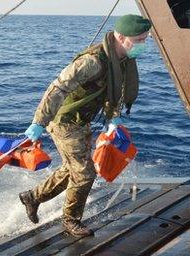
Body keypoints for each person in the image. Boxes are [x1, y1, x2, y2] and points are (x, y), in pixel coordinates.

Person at [19, 15, 151, 237]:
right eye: (138, 39)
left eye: (145, 39)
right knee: (85, 173)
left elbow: (114, 92)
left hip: (82, 120)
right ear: (120, 37)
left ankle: (32, 197)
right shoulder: (93, 62)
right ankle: (70, 220)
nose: (142, 44)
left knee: (71, 168)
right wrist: (39, 122)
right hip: (64, 120)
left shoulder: (122, 60)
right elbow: (58, 88)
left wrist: (113, 117)